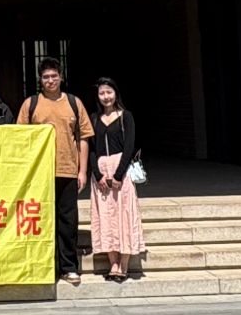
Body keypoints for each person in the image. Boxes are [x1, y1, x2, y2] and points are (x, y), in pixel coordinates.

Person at [17, 58, 93, 285]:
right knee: (40, 219)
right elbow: (19, 138)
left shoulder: (74, 103)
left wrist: (82, 171)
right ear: (40, 80)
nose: (50, 80)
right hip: (39, 173)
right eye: (45, 77)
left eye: (54, 76)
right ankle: (44, 267)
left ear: (61, 77)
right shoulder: (31, 104)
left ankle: (69, 267)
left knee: (67, 221)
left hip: (67, 170)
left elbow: (84, 138)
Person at [89, 76, 145, 281]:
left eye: (109, 92)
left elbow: (129, 146)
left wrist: (119, 174)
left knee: (124, 215)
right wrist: (97, 175)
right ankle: (112, 263)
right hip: (101, 172)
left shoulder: (125, 116)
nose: (106, 97)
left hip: (121, 170)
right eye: (102, 93)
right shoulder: (94, 118)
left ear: (116, 94)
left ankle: (124, 264)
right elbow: (91, 149)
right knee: (105, 216)